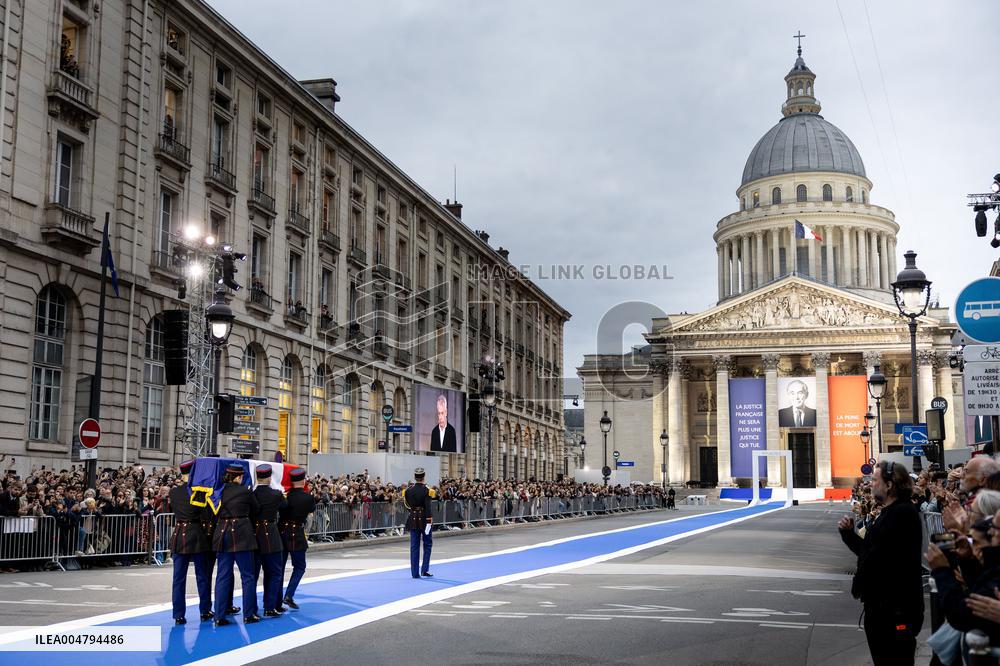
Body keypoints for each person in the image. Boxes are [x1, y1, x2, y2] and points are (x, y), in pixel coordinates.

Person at [837, 460, 923, 665]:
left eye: (875, 480)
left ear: (890, 484)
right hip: (881, 607)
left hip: (894, 608)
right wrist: (848, 534)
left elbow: (880, 558)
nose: (871, 484)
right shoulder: (888, 512)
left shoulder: (902, 513)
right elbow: (869, 552)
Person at [212, 464, 260, 626]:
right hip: (242, 533)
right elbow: (256, 509)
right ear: (239, 477)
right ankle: (249, 614)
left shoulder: (218, 492)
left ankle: (219, 615)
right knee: (247, 576)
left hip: (223, 532)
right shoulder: (246, 492)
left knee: (222, 576)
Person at [167, 460, 213, 625]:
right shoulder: (198, 492)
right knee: (202, 576)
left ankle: (178, 615)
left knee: (178, 578)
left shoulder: (173, 492)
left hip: (179, 535)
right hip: (196, 535)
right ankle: (205, 610)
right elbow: (206, 515)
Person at [252, 465, 287, 618]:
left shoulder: (251, 494)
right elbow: (285, 507)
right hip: (271, 535)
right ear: (269, 477)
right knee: (274, 573)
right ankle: (270, 606)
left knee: (252, 575)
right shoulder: (276, 494)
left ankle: (251, 608)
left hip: (254, 535)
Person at [280, 467, 315, 609]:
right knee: (300, 566)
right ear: (303, 480)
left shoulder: (285, 496)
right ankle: (288, 594)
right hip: (297, 533)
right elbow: (311, 510)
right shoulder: (308, 497)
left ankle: (275, 600)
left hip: (281, 532)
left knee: (279, 568)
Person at [403, 467, 434, 578]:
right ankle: (424, 570)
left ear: (415, 477)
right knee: (427, 545)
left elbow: (407, 505)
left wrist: (413, 512)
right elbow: (428, 508)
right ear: (424, 477)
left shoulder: (408, 491)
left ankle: (414, 573)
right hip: (425, 520)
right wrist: (429, 522)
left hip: (413, 519)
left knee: (414, 546)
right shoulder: (427, 490)